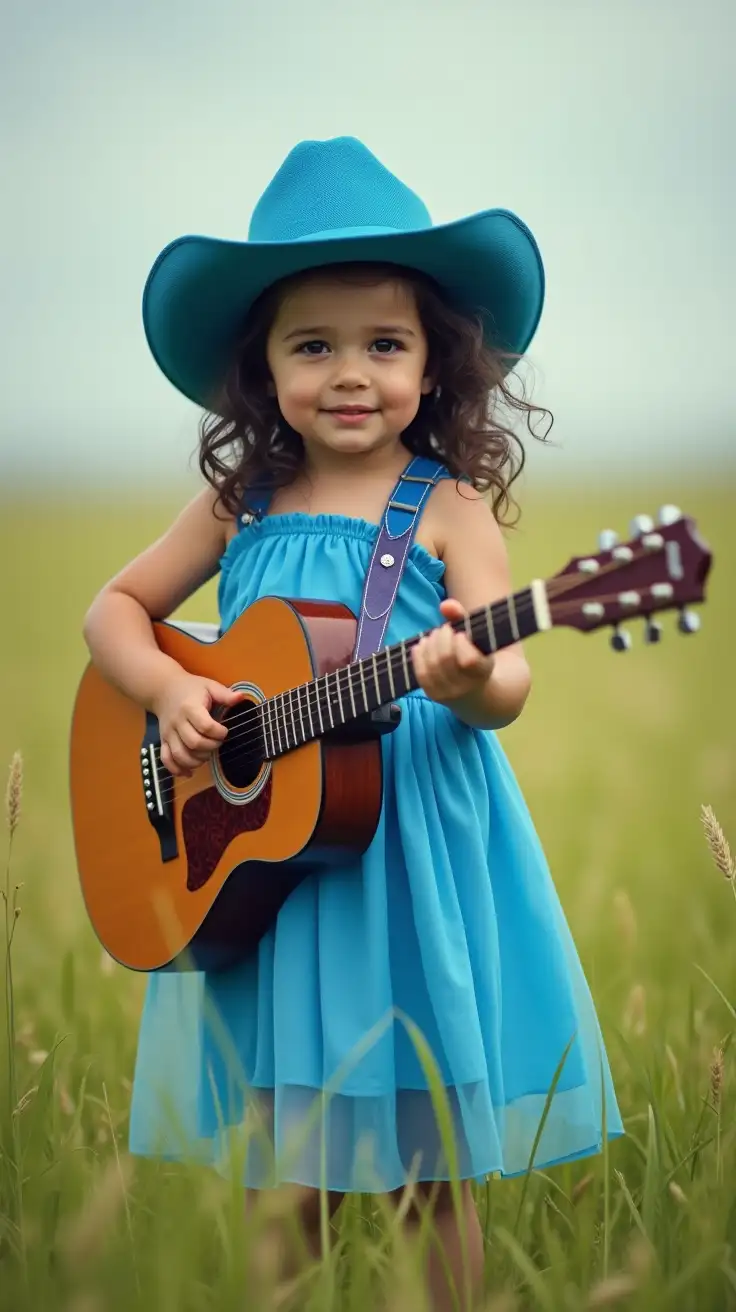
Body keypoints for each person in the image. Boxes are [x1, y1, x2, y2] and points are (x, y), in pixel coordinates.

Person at [82, 136, 623, 1309]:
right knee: (289, 1174)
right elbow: (114, 610)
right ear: (260, 368)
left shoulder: (451, 508)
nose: (349, 373)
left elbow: (509, 677)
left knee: (431, 1172)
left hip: (407, 851)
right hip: (269, 869)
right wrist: (174, 694)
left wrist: (465, 678)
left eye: (384, 344)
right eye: (311, 344)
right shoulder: (239, 504)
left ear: (435, 366)